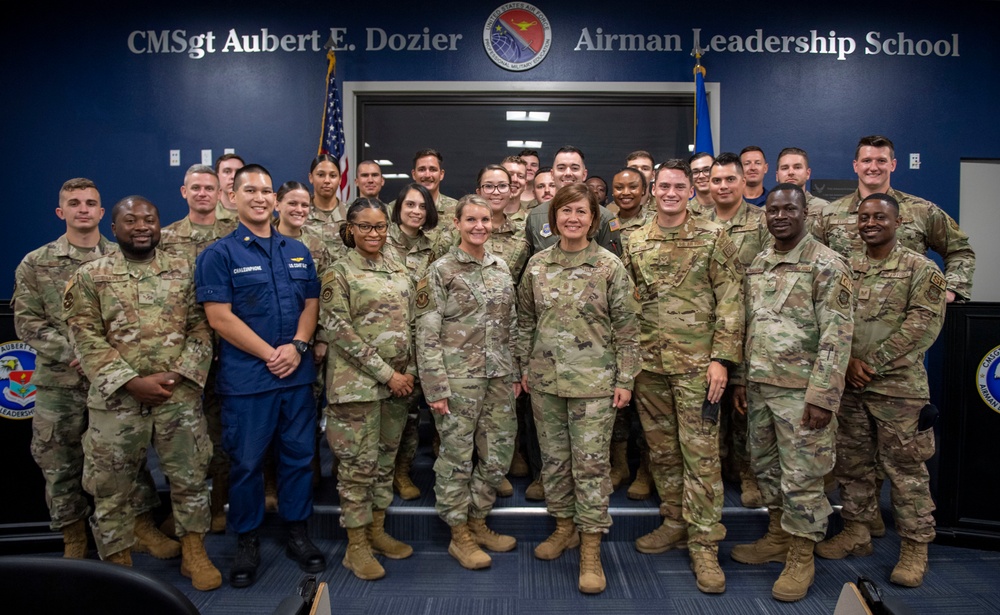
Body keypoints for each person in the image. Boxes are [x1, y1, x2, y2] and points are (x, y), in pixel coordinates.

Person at [64, 196, 221, 590]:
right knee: (110, 487)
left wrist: (178, 376)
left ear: (159, 225)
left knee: (189, 477)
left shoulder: (185, 272)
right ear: (113, 228)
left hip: (177, 398)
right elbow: (84, 336)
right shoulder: (90, 276)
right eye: (130, 220)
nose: (140, 226)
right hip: (116, 401)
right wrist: (130, 381)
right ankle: (117, 565)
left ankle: (194, 552)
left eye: (149, 219)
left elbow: (202, 330)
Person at [196, 164, 326, 588]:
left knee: (299, 458)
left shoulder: (297, 250)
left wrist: (299, 346)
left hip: (296, 375)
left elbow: (311, 304)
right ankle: (247, 538)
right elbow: (219, 317)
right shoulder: (218, 255)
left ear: (275, 200)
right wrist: (273, 353)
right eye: (249, 190)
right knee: (248, 464)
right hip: (250, 380)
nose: (260, 197)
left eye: (267, 191)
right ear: (230, 198)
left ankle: (297, 531)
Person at [622, 159, 744, 595]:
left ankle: (705, 544)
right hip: (649, 366)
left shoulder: (713, 237)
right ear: (653, 190)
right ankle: (674, 521)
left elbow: (731, 300)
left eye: (680, 186)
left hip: (698, 368)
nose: (671, 192)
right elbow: (628, 301)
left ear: (693, 190)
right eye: (664, 186)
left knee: (702, 456)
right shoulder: (634, 240)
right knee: (662, 452)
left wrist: (722, 360)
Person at [730, 183, 853, 602]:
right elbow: (753, 325)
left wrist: (823, 397)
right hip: (762, 387)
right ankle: (777, 536)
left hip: (802, 394)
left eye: (789, 209)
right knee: (765, 469)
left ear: (806, 213)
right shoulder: (762, 261)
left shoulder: (827, 264)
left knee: (803, 477)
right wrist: (742, 379)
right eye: (773, 209)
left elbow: (837, 336)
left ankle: (802, 555)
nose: (780, 215)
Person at [815, 193, 945, 588]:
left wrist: (871, 364)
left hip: (898, 390)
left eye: (879, 217)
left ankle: (915, 545)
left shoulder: (920, 269)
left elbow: (922, 326)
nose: (870, 222)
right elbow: (832, 319)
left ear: (898, 221)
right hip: (850, 384)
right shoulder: (845, 268)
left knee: (905, 471)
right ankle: (857, 531)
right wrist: (849, 362)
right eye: (864, 216)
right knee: (852, 465)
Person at [516, 182, 640, 594]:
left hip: (595, 385)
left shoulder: (609, 267)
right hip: (546, 382)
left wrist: (625, 380)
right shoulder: (536, 266)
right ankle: (564, 526)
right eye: (565, 211)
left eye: (581, 212)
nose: (572, 218)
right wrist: (524, 368)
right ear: (554, 218)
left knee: (590, 468)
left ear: (594, 219)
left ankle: (590, 548)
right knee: (554, 463)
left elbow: (627, 329)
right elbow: (525, 322)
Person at [14, 178, 122, 558]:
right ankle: (74, 538)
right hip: (60, 383)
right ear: (61, 212)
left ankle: (125, 536)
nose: (83, 209)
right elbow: (27, 322)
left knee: (116, 465)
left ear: (101, 211)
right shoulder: (36, 262)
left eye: (90, 202)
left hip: (110, 383)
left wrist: (101, 358)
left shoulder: (120, 259)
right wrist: (73, 351)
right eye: (74, 203)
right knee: (59, 466)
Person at [415, 194, 520, 570]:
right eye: (471, 220)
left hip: (498, 376)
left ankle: (478, 520)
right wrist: (436, 387)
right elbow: (426, 334)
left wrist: (516, 373)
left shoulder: (501, 267)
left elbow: (512, 325)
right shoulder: (440, 271)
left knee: (497, 456)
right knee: (456, 459)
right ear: (456, 224)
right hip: (457, 379)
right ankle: (458, 533)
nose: (479, 226)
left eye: (485, 220)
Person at [319, 198, 415, 581]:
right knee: (357, 468)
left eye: (380, 227)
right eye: (365, 227)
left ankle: (377, 530)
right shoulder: (338, 272)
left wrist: (405, 374)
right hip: (356, 388)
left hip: (398, 386)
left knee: (384, 462)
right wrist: (387, 373)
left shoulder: (398, 269)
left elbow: (409, 323)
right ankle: (356, 546)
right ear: (351, 228)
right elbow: (340, 333)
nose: (374, 234)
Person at [160, 164, 239, 533]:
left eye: (210, 187)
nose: (204, 193)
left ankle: (219, 505)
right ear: (184, 192)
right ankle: (182, 511)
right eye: (196, 187)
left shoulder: (236, 235)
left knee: (221, 430)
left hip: (227, 347)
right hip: (178, 352)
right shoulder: (164, 238)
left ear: (220, 192)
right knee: (180, 436)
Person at [813, 134, 974, 303]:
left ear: (893, 165)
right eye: (867, 160)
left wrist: (951, 289)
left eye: (881, 161)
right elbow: (813, 260)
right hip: (844, 316)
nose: (873, 167)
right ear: (856, 166)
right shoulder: (829, 214)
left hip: (905, 316)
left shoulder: (921, 210)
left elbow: (960, 251)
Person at [705, 152, 770, 507]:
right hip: (703, 331)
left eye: (730, 179)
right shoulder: (695, 220)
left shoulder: (763, 223)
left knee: (746, 408)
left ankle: (748, 475)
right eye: (717, 180)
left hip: (752, 330)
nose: (723, 186)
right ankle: (713, 475)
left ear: (745, 182)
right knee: (710, 407)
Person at [384, 183, 441, 501]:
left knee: (409, 415)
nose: (416, 211)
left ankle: (402, 472)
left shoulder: (434, 247)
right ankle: (381, 474)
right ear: (399, 207)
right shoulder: (382, 240)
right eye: (410, 205)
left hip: (421, 343)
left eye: (422, 206)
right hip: (386, 341)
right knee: (385, 416)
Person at [477, 165, 530, 496]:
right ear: (479, 189)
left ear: (513, 190)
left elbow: (524, 294)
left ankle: (497, 464)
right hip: (463, 335)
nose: (495, 192)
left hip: (503, 334)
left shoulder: (521, 238)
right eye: (488, 186)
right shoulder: (456, 230)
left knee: (500, 408)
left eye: (502, 186)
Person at [605, 167, 651, 494]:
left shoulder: (655, 220)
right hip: (613, 321)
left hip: (650, 325)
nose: (625, 192)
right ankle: (618, 464)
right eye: (619, 187)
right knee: (617, 402)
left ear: (644, 189)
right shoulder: (605, 220)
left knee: (648, 405)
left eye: (632, 187)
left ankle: (646, 471)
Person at [524, 146, 622, 257]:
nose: (568, 173)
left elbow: (612, 264)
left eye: (574, 168)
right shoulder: (536, 216)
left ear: (584, 174)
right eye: (561, 168)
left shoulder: (604, 217)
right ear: (552, 174)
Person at [304, 154, 349, 260]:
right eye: (321, 175)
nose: (327, 181)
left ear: (340, 179)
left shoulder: (352, 215)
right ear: (311, 178)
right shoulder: (300, 214)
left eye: (333, 176)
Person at [775, 147, 829, 226]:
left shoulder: (825, 210)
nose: (791, 172)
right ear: (777, 175)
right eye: (785, 168)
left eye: (797, 167)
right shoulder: (764, 212)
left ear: (808, 173)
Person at [500, 155, 530, 228]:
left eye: (520, 176)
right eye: (510, 175)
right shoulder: (484, 217)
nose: (515, 179)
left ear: (525, 184)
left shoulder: (531, 219)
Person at [214, 153, 244, 223]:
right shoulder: (207, 214)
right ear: (217, 177)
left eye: (238, 172)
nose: (233, 176)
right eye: (227, 171)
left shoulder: (259, 212)